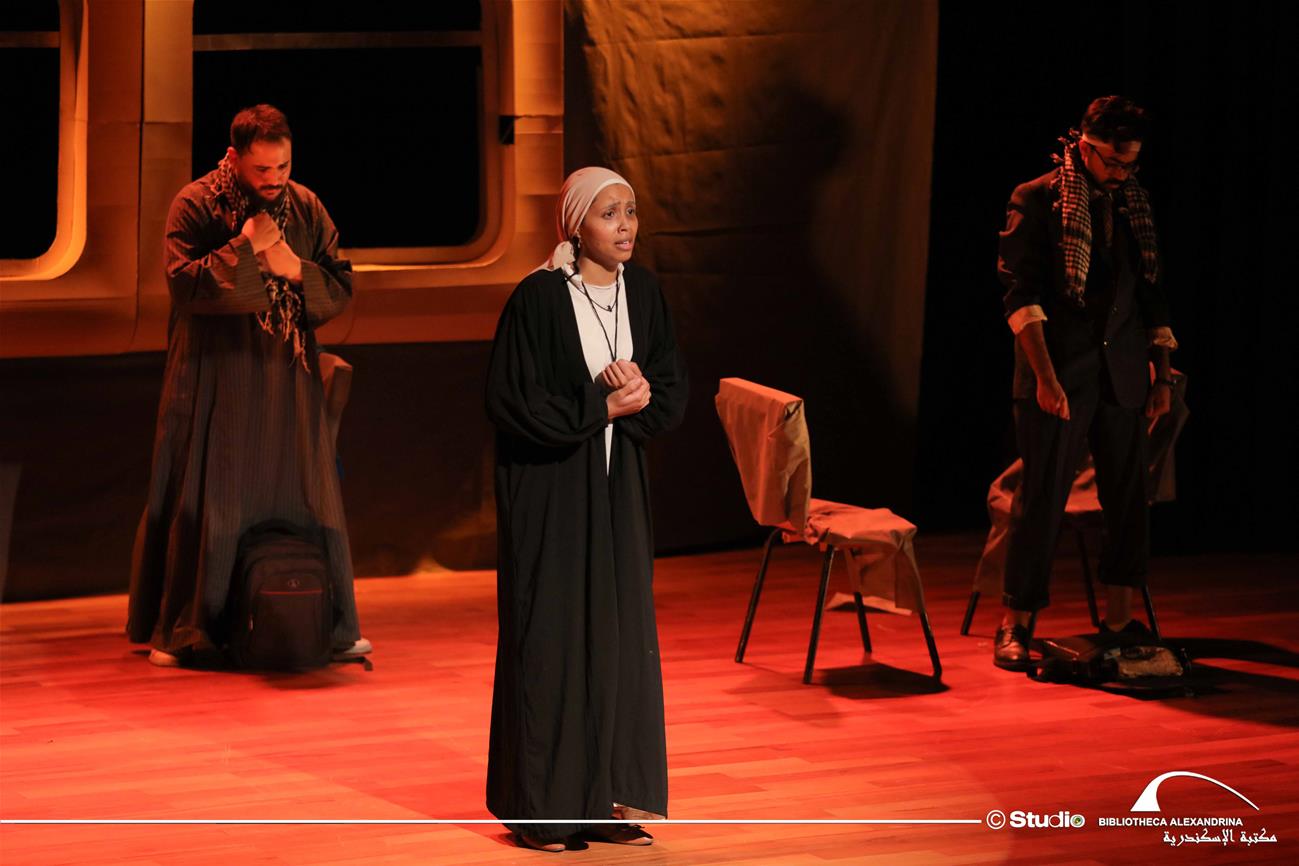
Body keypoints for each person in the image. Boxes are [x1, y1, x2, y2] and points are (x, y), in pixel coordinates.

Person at [484, 167, 688, 851]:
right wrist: (599, 403)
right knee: (552, 641)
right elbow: (512, 401)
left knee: (617, 640)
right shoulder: (538, 299)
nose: (625, 226)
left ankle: (604, 799)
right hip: (552, 493)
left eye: (631, 211)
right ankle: (542, 809)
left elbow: (669, 386)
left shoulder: (644, 292)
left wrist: (639, 396)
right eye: (609, 213)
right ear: (576, 225)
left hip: (616, 488)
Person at [127, 104, 369, 666]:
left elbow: (339, 285)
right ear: (235, 158)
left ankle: (326, 624)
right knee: (213, 493)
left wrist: (292, 268)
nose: (275, 178)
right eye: (262, 169)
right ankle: (190, 629)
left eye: (283, 166)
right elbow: (183, 286)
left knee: (306, 492)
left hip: (288, 375)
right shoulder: (195, 203)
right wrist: (247, 246)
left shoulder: (306, 205)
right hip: (216, 373)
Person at [993, 95, 1177, 670]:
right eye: (1114, 161)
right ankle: (1016, 622)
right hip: (1058, 373)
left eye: (1131, 163)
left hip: (1122, 373)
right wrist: (1046, 379)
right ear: (1084, 146)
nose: (1122, 172)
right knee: (1041, 499)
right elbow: (1020, 297)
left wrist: (1161, 374)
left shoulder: (1132, 203)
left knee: (1128, 497)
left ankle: (1120, 620)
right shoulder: (1036, 197)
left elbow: (1149, 292)